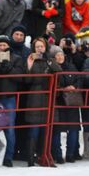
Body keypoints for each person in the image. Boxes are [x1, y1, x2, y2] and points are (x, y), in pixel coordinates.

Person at [24, 37, 61, 166]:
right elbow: (27, 81)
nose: (39, 49)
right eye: (37, 46)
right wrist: (29, 65)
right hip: (35, 97)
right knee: (34, 129)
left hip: (47, 97)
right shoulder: (30, 60)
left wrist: (51, 63)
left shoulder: (50, 60)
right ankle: (30, 157)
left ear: (45, 47)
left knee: (47, 130)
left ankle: (44, 155)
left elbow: (58, 74)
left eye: (42, 46)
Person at [0, 35, 24, 167]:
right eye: (0, 45)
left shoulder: (16, 58)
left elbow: (20, 77)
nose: (2, 47)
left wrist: (8, 67)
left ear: (8, 46)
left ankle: (8, 156)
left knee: (9, 128)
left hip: (9, 97)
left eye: (4, 45)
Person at [51, 48, 81, 164]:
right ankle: (58, 155)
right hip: (58, 102)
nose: (60, 57)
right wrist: (64, 88)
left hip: (72, 101)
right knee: (56, 130)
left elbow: (79, 78)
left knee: (73, 129)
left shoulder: (71, 66)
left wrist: (74, 87)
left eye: (61, 55)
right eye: (57, 55)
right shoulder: (52, 68)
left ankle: (70, 154)